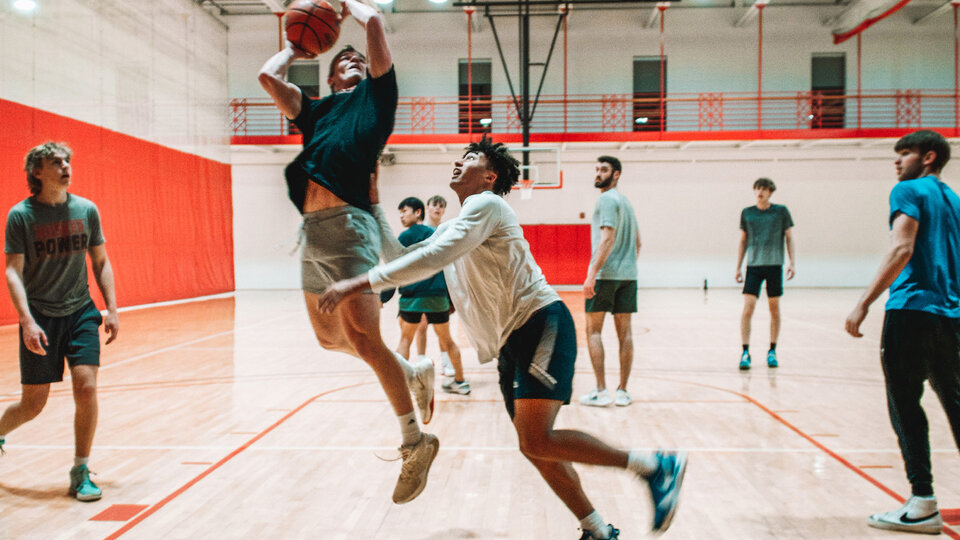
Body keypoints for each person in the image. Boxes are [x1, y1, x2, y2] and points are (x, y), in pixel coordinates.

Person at [318, 138, 687, 538]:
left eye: (471, 158)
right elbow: (403, 257)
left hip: (541, 322)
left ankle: (654, 466)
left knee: (537, 437)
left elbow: (432, 259)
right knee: (534, 445)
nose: (460, 161)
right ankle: (597, 528)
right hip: (513, 339)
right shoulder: (456, 224)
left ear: (490, 176)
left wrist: (356, 284)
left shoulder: (487, 205)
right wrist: (374, 205)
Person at [257, 0, 437, 504]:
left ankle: (414, 442)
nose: (352, 62)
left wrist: (342, 5)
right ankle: (414, 373)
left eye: (359, 60)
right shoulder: (315, 111)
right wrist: (295, 45)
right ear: (331, 74)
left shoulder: (377, 99)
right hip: (313, 233)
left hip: (351, 227)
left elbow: (375, 22)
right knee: (331, 341)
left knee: (362, 333)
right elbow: (267, 78)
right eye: (343, 61)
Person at [845, 129, 960, 535]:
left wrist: (864, 301)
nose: (897, 161)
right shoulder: (954, 200)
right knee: (956, 404)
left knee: (905, 406)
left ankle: (923, 501)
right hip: (951, 317)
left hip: (911, 312)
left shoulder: (909, 191)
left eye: (905, 153)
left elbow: (901, 247)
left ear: (929, 157)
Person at [0, 142, 119, 501]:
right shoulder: (21, 216)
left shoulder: (86, 210)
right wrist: (26, 321)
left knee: (86, 388)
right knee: (33, 404)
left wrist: (111, 307)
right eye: (56, 162)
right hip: (40, 317)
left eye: (67, 160)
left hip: (81, 310)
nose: (66, 166)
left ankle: (80, 469)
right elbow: (13, 272)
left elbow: (100, 261)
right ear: (37, 172)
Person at [382, 197, 468, 394]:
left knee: (405, 340)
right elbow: (448, 267)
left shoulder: (404, 237)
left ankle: (400, 386)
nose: (402, 215)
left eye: (405, 211)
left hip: (411, 297)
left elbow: (393, 269)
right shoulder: (436, 235)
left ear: (418, 212)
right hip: (437, 297)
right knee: (447, 341)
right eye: (400, 212)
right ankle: (461, 382)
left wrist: (384, 297)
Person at [580, 156, 641, 408]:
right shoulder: (626, 203)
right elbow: (638, 243)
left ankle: (601, 391)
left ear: (616, 174)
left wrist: (592, 272)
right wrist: (626, 265)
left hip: (606, 275)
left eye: (603, 170)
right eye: (596, 169)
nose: (598, 173)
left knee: (593, 331)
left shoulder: (606, 199)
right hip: (628, 275)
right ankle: (623, 392)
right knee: (625, 334)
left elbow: (607, 238)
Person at [735, 177, 795, 370]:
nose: (760, 192)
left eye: (764, 189)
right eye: (757, 188)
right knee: (748, 308)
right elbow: (743, 241)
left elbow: (789, 238)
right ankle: (745, 352)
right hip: (754, 266)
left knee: (774, 309)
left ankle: (772, 350)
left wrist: (792, 262)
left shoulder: (781, 212)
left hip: (774, 265)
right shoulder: (747, 213)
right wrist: (738, 266)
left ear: (770, 192)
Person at [414, 194, 457, 378]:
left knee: (442, 329)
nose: (437, 208)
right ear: (428, 208)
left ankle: (446, 364)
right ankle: (421, 364)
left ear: (444, 210)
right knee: (421, 326)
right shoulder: (419, 231)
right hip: (423, 285)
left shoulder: (448, 230)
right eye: (434, 205)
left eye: (441, 206)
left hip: (441, 285)